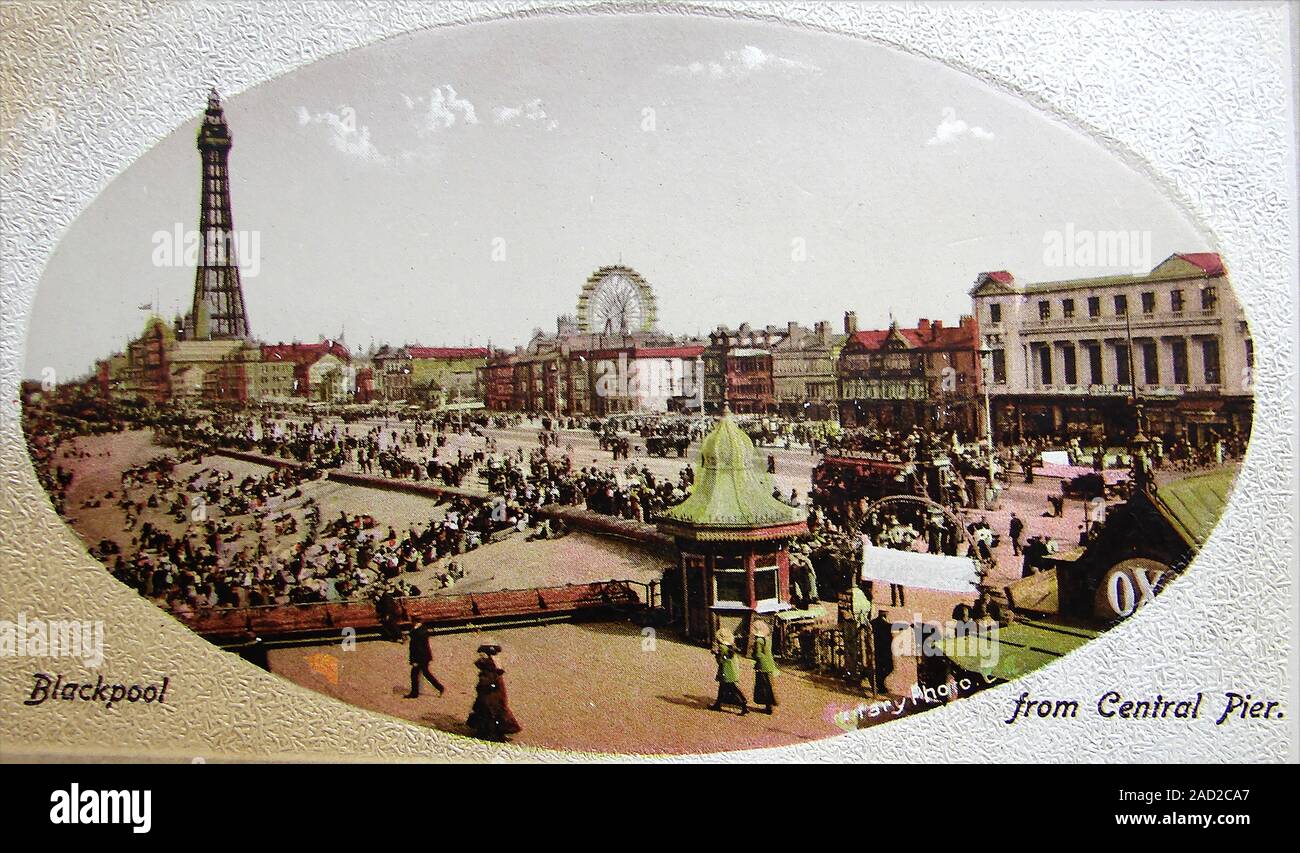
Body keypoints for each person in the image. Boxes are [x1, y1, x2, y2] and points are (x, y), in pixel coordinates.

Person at [466, 643, 521, 741]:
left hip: (491, 692)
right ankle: (492, 731)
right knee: (494, 710)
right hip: (494, 691)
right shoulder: (494, 663)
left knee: (490, 710)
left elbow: (488, 679)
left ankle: (489, 731)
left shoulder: (489, 665)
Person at [709, 629, 748, 715]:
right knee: (723, 687)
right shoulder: (731, 648)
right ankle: (718, 704)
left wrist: (716, 654)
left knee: (731, 688)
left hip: (726, 671)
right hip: (731, 671)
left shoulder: (722, 648)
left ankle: (743, 703)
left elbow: (721, 661)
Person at [404, 620, 445, 699]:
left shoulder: (418, 632)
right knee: (425, 673)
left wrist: (415, 660)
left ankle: (414, 693)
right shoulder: (421, 630)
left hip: (420, 657)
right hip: (424, 657)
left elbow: (417, 648)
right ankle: (439, 687)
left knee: (415, 674)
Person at [750, 621, 779, 715]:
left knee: (763, 686)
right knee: (768, 685)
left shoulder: (759, 641)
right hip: (770, 664)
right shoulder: (768, 640)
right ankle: (770, 705)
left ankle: (768, 707)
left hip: (762, 665)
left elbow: (758, 654)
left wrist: (753, 653)